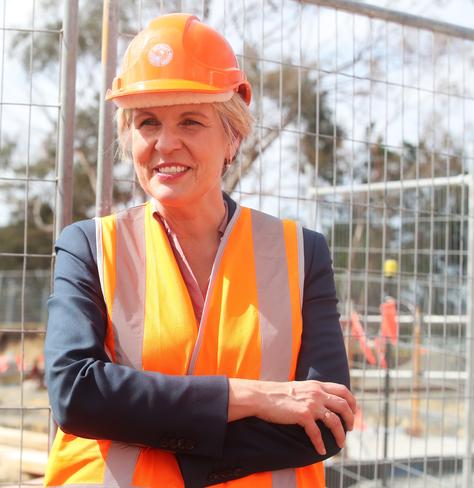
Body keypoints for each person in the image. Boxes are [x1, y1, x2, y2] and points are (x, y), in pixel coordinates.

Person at [44, 13, 357, 488]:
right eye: (148, 122)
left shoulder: (301, 253)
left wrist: (153, 440)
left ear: (232, 137)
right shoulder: (89, 247)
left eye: (191, 120)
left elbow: (325, 421)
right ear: (129, 138)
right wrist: (252, 397)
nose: (166, 143)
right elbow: (76, 394)